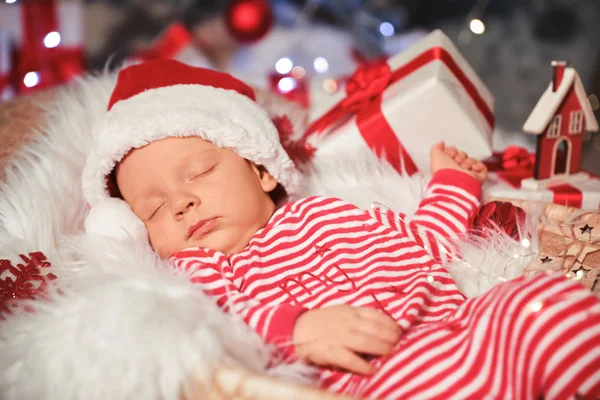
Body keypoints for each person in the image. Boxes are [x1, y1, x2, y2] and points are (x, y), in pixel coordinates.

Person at [82, 59, 600, 399]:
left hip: (463, 328)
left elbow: (424, 241)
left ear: (262, 170)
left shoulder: (328, 212)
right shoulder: (205, 266)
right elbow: (214, 320)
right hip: (380, 376)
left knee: (547, 305)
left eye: (198, 174)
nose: (183, 203)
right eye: (153, 209)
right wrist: (296, 330)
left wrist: (452, 184)